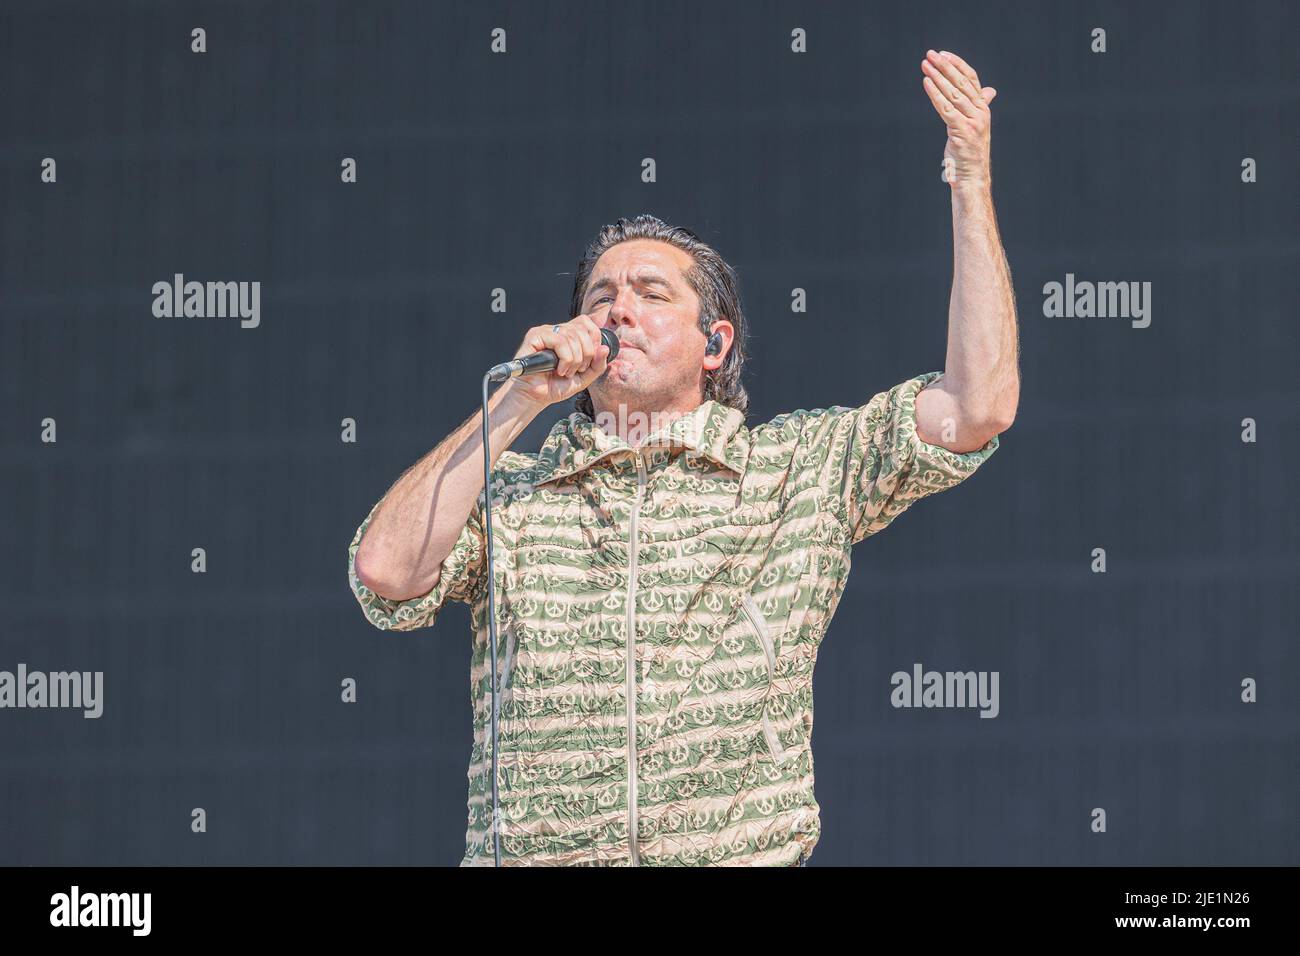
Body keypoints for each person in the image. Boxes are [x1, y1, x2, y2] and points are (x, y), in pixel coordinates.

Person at [348, 50, 1018, 867]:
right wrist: (518, 401)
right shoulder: (518, 497)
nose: (619, 309)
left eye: (652, 295)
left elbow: (977, 406)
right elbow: (385, 571)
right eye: (601, 297)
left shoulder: (795, 470)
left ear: (715, 343)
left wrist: (971, 180)